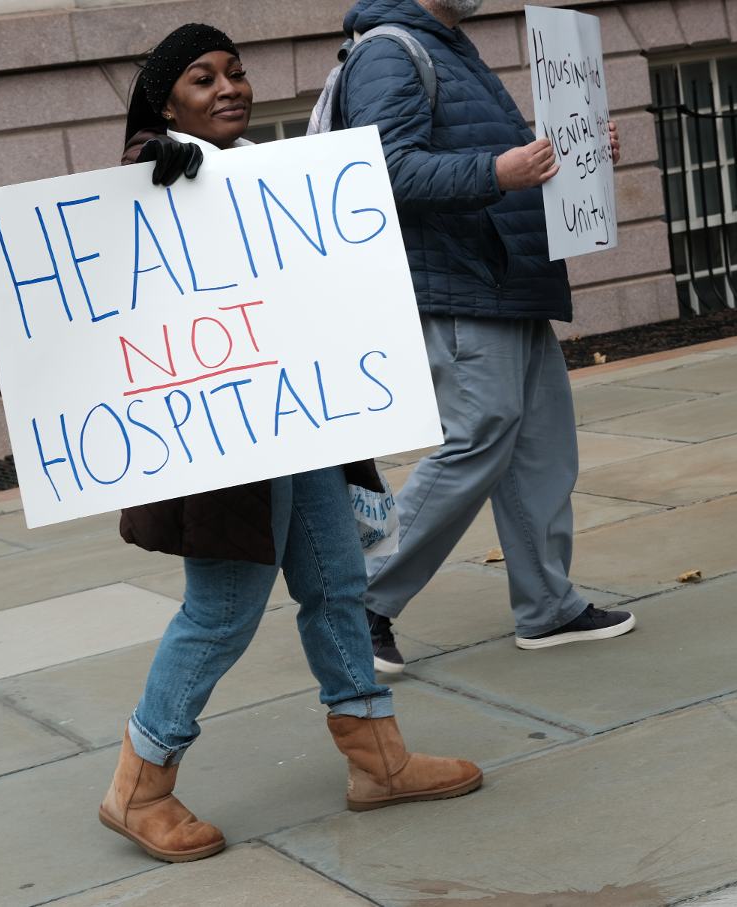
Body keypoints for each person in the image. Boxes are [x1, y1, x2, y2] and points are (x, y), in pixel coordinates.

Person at [99, 24, 482, 864]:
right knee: (224, 609)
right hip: (230, 445)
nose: (228, 87)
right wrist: (163, 168)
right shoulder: (160, 168)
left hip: (296, 422)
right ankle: (140, 782)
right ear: (167, 104)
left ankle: (376, 758)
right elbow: (131, 216)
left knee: (338, 581)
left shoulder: (259, 172)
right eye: (202, 80)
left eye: (236, 72)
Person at [335, 0, 633, 673]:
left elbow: (494, 154)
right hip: (463, 283)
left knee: (541, 447)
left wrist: (580, 153)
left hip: (511, 279)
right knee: (478, 437)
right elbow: (389, 170)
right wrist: (503, 171)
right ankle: (359, 603)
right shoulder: (391, 51)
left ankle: (549, 605)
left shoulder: (445, 44)